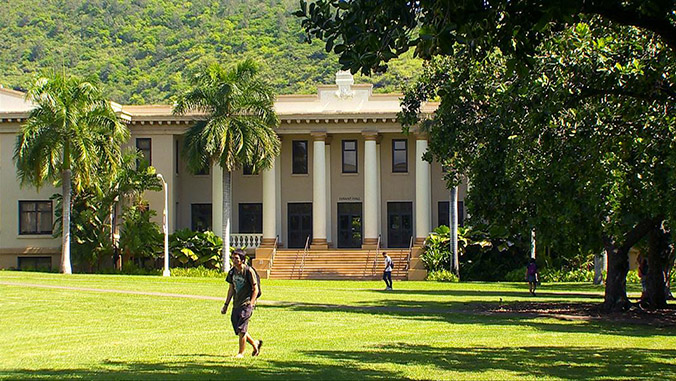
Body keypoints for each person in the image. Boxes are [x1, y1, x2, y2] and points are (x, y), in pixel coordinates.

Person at [221, 249, 263, 358]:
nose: (234, 260)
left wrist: (251, 303)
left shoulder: (249, 271)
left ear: (242, 260)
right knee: (238, 329)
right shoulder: (232, 272)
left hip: (247, 303)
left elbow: (255, 289)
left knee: (242, 329)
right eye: (233, 258)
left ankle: (241, 353)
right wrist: (226, 305)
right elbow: (231, 289)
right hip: (236, 304)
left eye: (236, 258)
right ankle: (255, 344)